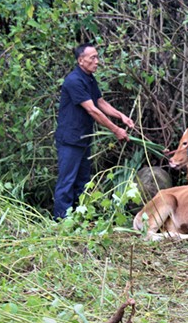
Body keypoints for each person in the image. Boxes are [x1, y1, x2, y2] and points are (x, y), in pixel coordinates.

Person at [53, 43, 135, 219]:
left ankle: (78, 217)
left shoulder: (89, 78)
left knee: (83, 182)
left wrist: (121, 117)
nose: (97, 61)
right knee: (67, 181)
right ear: (81, 60)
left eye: (97, 57)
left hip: (83, 138)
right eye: (93, 58)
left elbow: (100, 102)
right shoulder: (74, 81)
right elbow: (92, 110)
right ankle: (60, 221)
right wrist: (115, 130)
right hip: (70, 139)